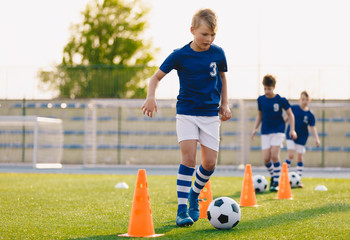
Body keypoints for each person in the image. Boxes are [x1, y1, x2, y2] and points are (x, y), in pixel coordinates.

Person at [141, 9, 231, 227]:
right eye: (204, 34)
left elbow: (223, 79)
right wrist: (151, 97)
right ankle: (182, 210)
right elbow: (155, 78)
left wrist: (224, 103)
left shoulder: (218, 53)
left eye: (212, 35)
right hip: (187, 113)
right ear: (192, 31)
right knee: (189, 159)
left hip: (210, 115)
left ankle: (194, 194)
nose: (208, 39)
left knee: (209, 163)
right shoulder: (180, 54)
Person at [251, 74, 297, 192]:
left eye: (269, 89)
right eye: (265, 88)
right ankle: (275, 176)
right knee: (266, 158)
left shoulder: (281, 100)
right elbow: (260, 115)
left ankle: (276, 181)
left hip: (278, 130)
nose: (267, 91)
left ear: (274, 87)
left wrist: (292, 129)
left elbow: (290, 114)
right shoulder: (261, 99)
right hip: (265, 131)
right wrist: (255, 128)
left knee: (274, 155)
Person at [285, 91, 321, 187]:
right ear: (299, 99)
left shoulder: (310, 114)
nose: (304, 101)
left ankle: (298, 179)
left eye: (306, 99)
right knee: (291, 155)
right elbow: (286, 118)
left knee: (300, 157)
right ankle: (283, 177)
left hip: (302, 137)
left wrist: (317, 139)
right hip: (290, 134)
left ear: (309, 100)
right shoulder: (294, 108)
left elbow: (313, 127)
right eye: (302, 99)